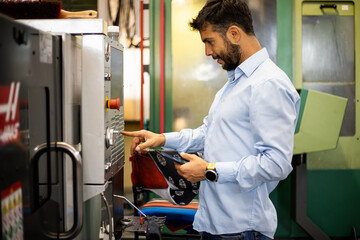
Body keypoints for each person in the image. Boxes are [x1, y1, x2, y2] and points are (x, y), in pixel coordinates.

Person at [122, 0, 300, 239]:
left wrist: (209, 170)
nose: (207, 51)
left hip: (242, 230)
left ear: (234, 33)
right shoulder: (236, 83)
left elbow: (276, 163)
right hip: (215, 223)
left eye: (209, 41)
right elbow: (208, 134)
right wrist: (161, 139)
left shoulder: (268, 84)